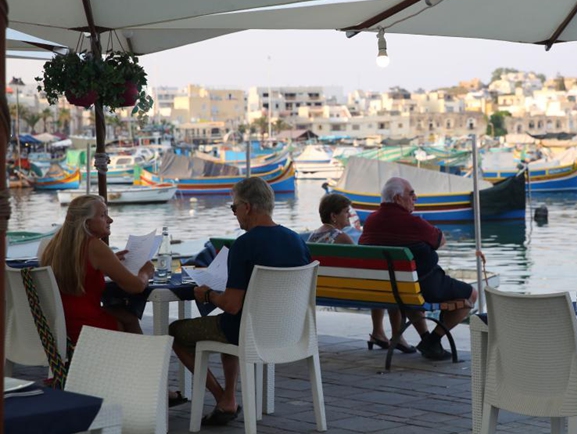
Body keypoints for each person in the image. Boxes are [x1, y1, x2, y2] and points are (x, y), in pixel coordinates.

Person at [169, 177, 311, 426]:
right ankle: (228, 397)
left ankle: (224, 397)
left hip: (248, 331)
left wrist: (207, 295)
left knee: (175, 332)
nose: (234, 214)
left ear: (247, 207)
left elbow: (232, 305)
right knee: (230, 323)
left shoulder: (245, 244)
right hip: (289, 331)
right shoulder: (297, 241)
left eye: (234, 208)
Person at [359, 177, 478, 361]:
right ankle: (433, 340)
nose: (416, 198)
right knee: (471, 294)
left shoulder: (371, 221)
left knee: (409, 291)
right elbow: (441, 241)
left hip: (389, 289)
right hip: (425, 286)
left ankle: (426, 340)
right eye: (412, 194)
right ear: (398, 198)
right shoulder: (412, 223)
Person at [307, 193, 416, 354]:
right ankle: (395, 336)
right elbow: (361, 264)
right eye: (345, 212)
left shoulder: (313, 236)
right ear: (333, 216)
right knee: (389, 286)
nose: (349, 216)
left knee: (377, 284)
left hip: (318, 291)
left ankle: (378, 333)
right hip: (351, 292)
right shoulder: (341, 237)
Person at [40, 194, 154, 342]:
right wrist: (146, 271)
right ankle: (137, 362)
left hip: (60, 325)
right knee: (128, 319)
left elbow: (80, 269)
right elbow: (136, 286)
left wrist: (110, 260)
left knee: (128, 317)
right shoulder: (94, 246)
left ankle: (133, 360)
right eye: (103, 215)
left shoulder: (56, 245)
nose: (110, 220)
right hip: (86, 327)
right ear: (87, 223)